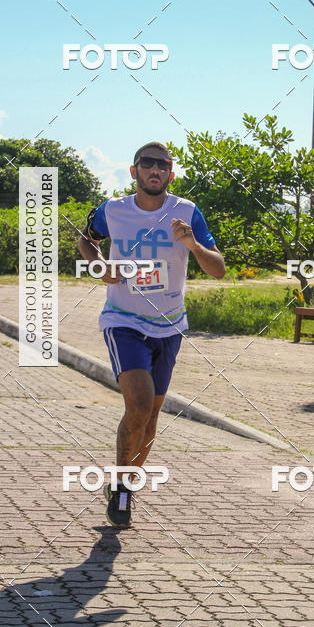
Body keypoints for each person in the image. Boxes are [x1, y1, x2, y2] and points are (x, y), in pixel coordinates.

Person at [78, 141, 225, 528]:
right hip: (123, 320)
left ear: (170, 174)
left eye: (163, 165)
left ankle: (123, 485)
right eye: (148, 163)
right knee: (140, 405)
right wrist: (99, 266)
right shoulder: (112, 210)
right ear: (134, 171)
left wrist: (192, 244)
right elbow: (86, 240)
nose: (155, 170)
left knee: (152, 416)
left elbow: (219, 269)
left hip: (170, 325)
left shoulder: (187, 212)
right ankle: (122, 493)